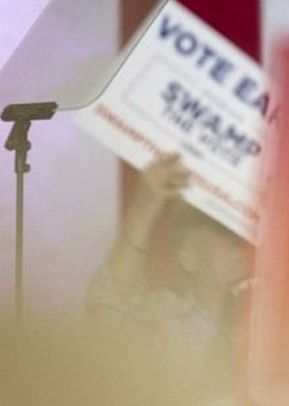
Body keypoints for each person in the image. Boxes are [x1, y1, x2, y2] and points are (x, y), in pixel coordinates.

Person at [86, 153, 251, 401]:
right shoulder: (162, 319)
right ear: (189, 256)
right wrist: (146, 205)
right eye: (223, 231)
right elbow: (107, 306)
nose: (237, 244)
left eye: (241, 235)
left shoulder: (268, 324)